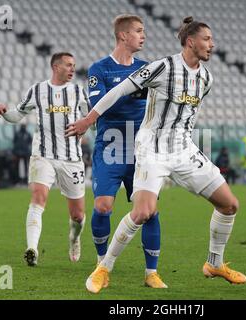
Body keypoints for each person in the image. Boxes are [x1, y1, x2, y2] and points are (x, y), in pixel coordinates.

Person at [66, 16, 246, 293]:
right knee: (143, 212)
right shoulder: (162, 67)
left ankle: (214, 263)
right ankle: (104, 268)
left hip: (184, 148)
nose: (212, 44)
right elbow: (120, 90)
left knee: (229, 204)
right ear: (191, 41)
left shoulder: (206, 78)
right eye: (207, 39)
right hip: (151, 147)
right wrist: (89, 120)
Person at [87, 14, 165, 289]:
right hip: (110, 146)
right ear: (123, 36)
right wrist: (132, 92)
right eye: (139, 31)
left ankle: (151, 273)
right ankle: (101, 261)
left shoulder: (148, 68)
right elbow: (103, 106)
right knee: (102, 206)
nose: (143, 36)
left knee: (150, 212)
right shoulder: (99, 70)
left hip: (141, 149)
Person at [0, 52, 89, 266]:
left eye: (74, 65)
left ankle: (74, 239)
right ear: (56, 67)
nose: (73, 69)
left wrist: (83, 128)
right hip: (42, 155)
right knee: (38, 199)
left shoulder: (77, 91)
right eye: (68, 65)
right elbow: (17, 115)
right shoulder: (37, 90)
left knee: (78, 215)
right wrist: (4, 111)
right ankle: (32, 248)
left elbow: (90, 117)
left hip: (71, 159)